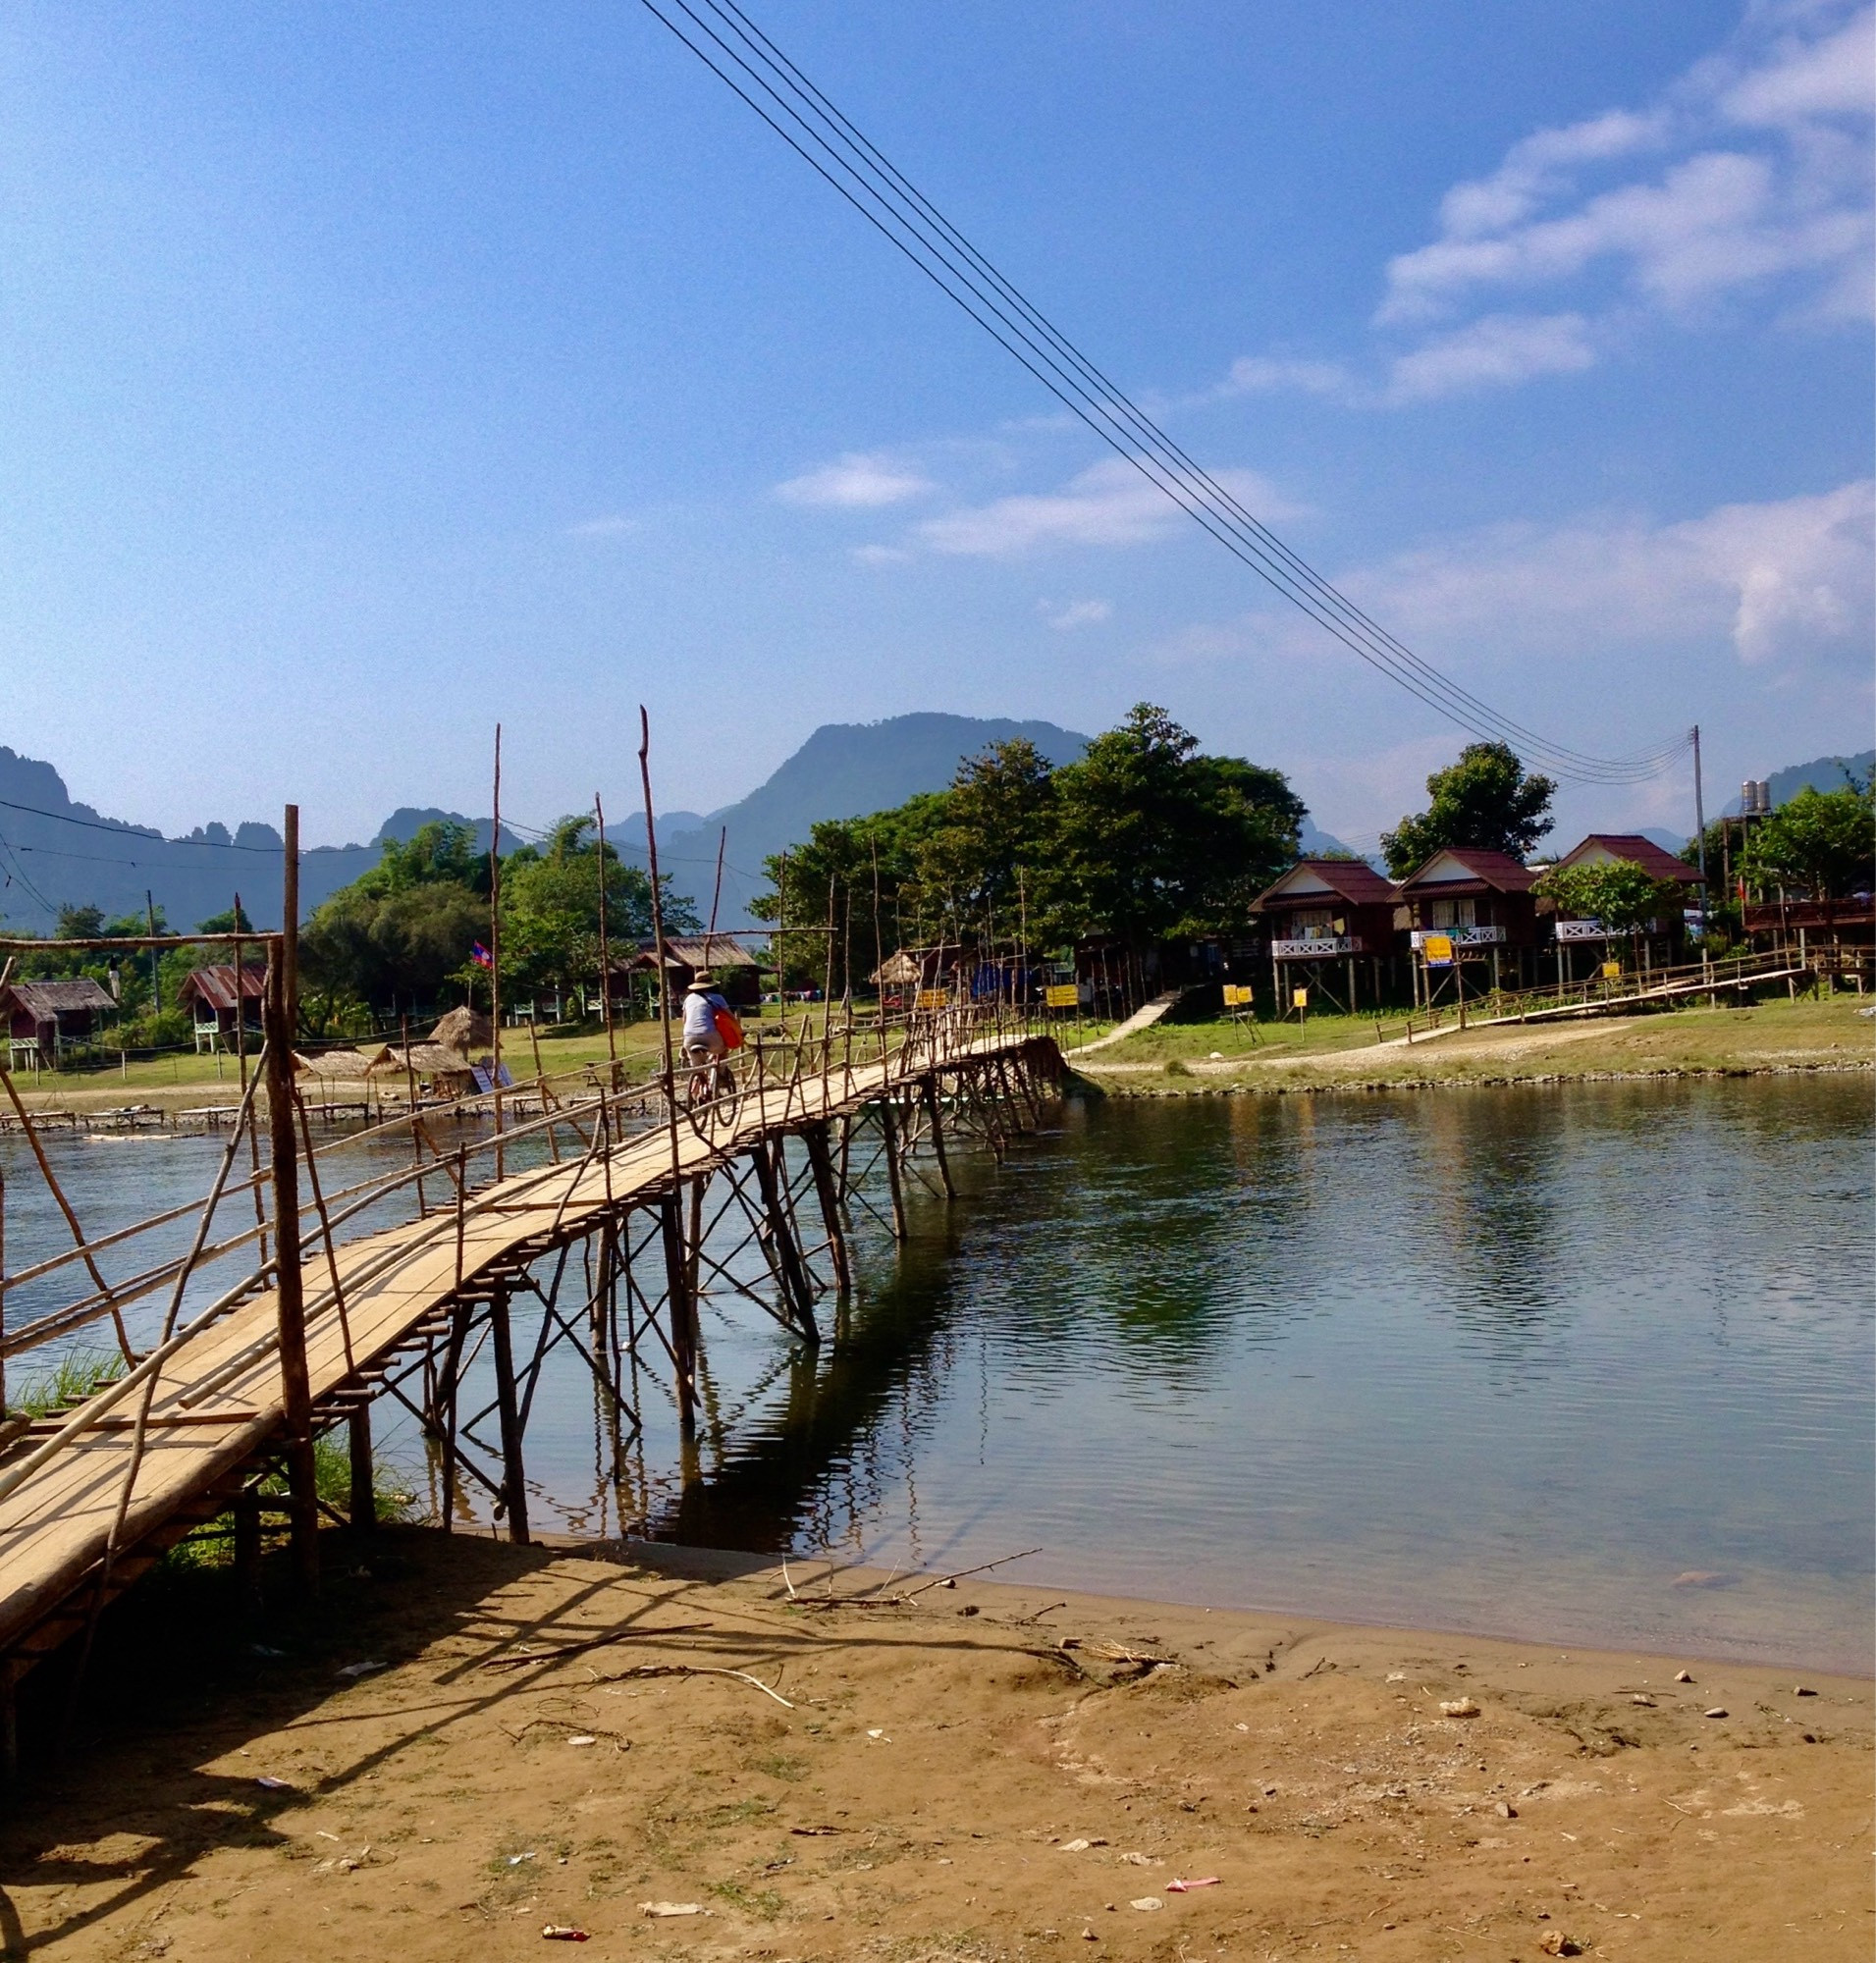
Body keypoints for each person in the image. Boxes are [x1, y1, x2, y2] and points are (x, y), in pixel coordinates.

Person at [680, 969, 731, 1074]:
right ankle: (719, 1075)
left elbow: (684, 1020)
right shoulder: (717, 997)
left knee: (696, 1067)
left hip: (689, 1037)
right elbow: (730, 1017)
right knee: (723, 1050)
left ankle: (696, 1082)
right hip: (710, 1035)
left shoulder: (688, 999)